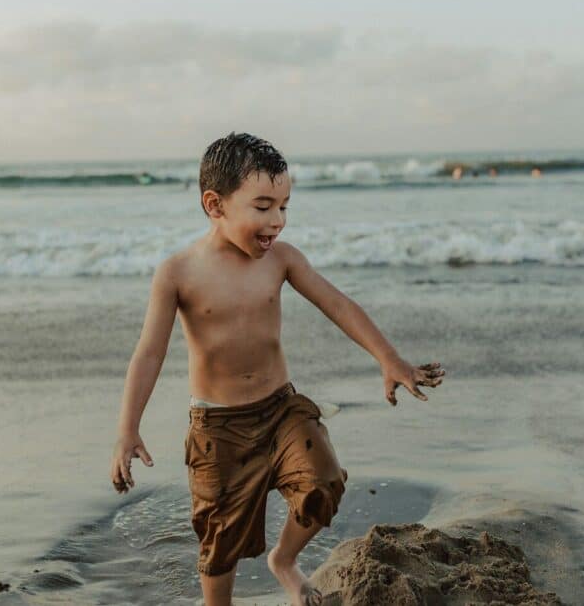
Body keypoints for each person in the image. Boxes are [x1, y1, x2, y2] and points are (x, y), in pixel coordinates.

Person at [109, 132, 446, 606]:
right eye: (263, 207)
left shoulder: (281, 261)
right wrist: (128, 429)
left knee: (324, 482)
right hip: (218, 427)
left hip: (281, 409)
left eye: (285, 207)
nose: (277, 222)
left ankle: (284, 560)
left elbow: (337, 303)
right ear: (215, 204)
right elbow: (149, 352)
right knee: (219, 539)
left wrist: (389, 358)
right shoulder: (178, 273)